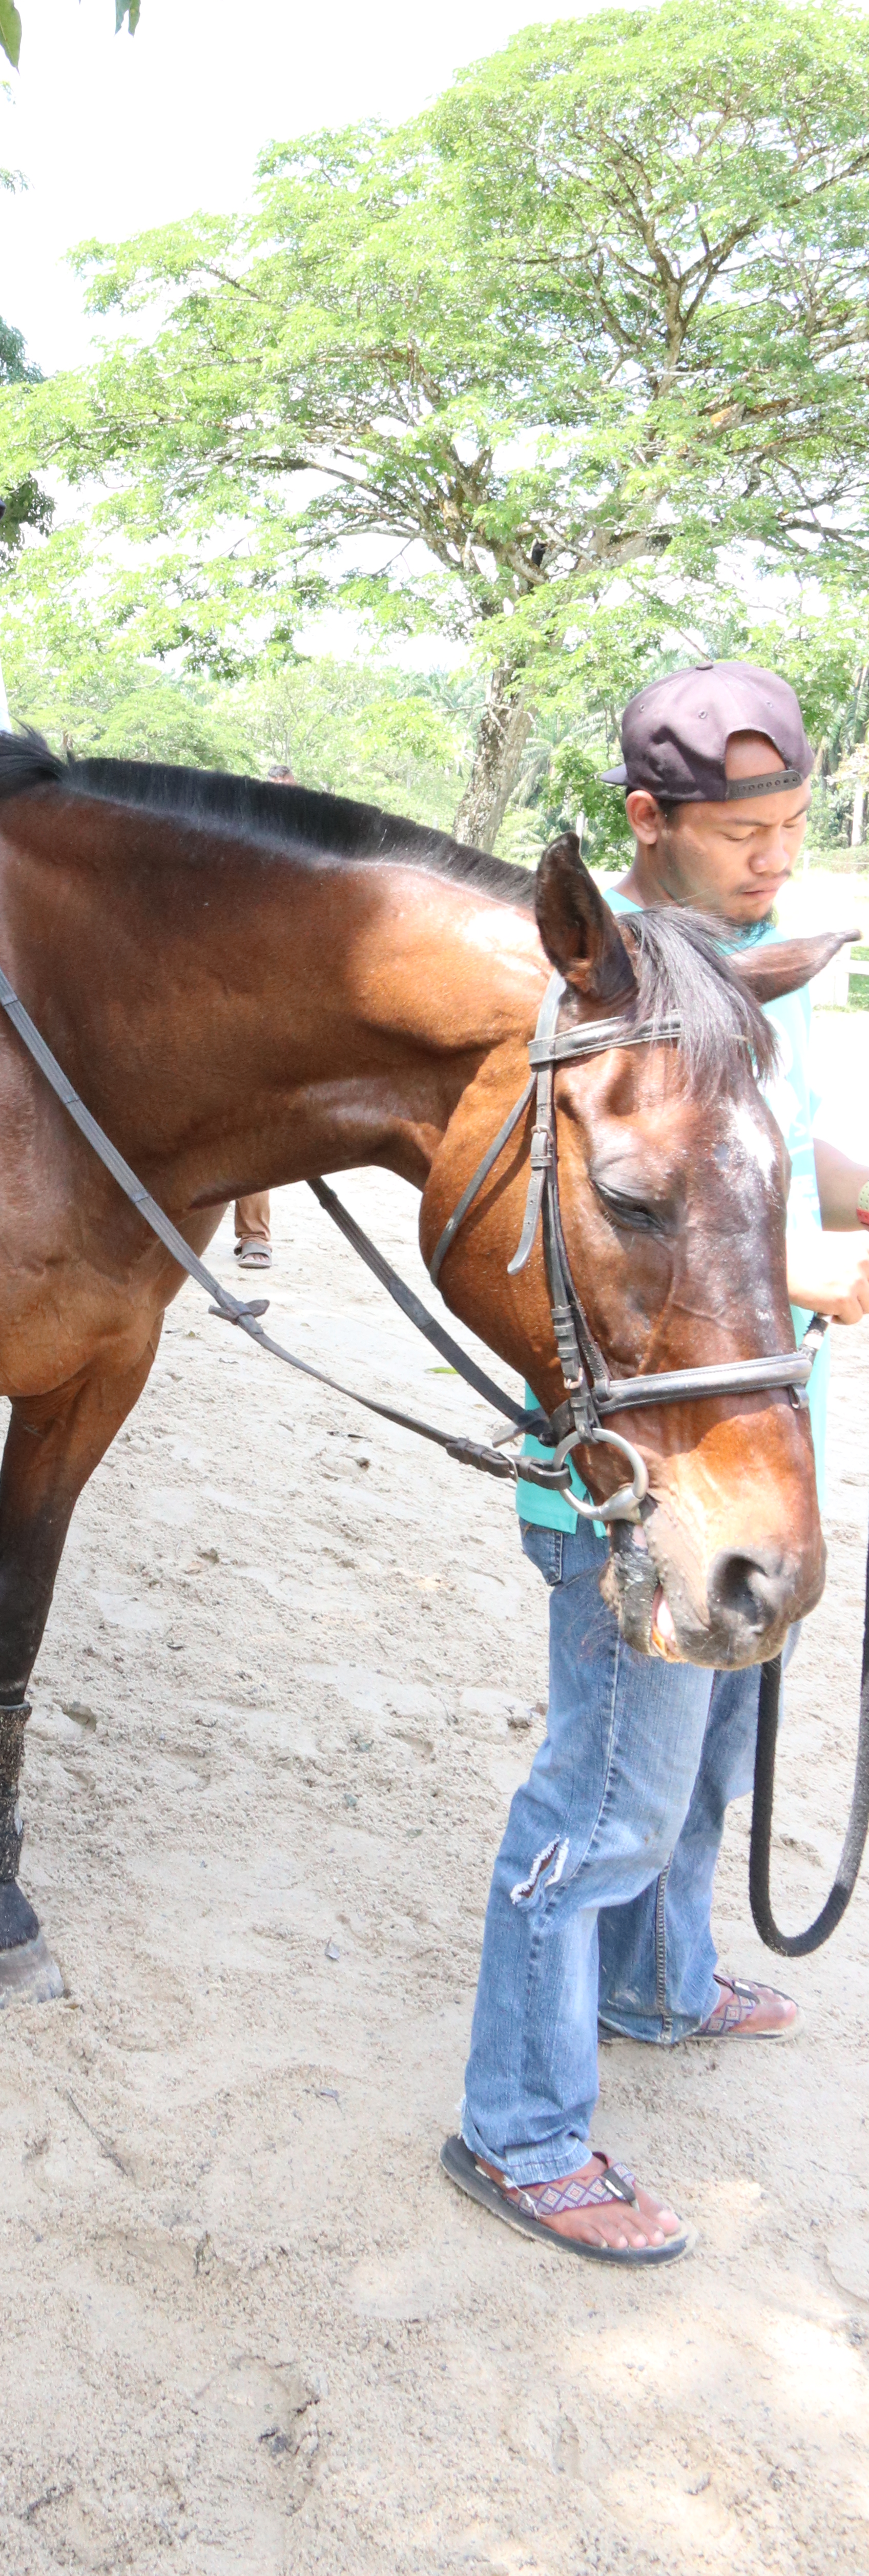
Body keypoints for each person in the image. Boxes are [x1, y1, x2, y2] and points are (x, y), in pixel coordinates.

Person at [445, 661, 869, 2265]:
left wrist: (837, 1200)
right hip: (643, 1475)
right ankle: (519, 2124)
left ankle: (659, 1978)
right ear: (648, 820)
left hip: (755, 1452)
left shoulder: (753, 971)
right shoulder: (613, 989)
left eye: (794, 823)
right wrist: (812, 1271)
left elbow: (784, 1145)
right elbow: (641, 1203)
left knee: (708, 1766)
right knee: (607, 1797)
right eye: (745, 829)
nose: (777, 855)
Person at [233, 770, 298, 1267]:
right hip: (229, 997)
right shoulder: (237, 849)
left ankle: (255, 1233)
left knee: (251, 1124)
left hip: (270, 1007)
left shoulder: (302, 862)